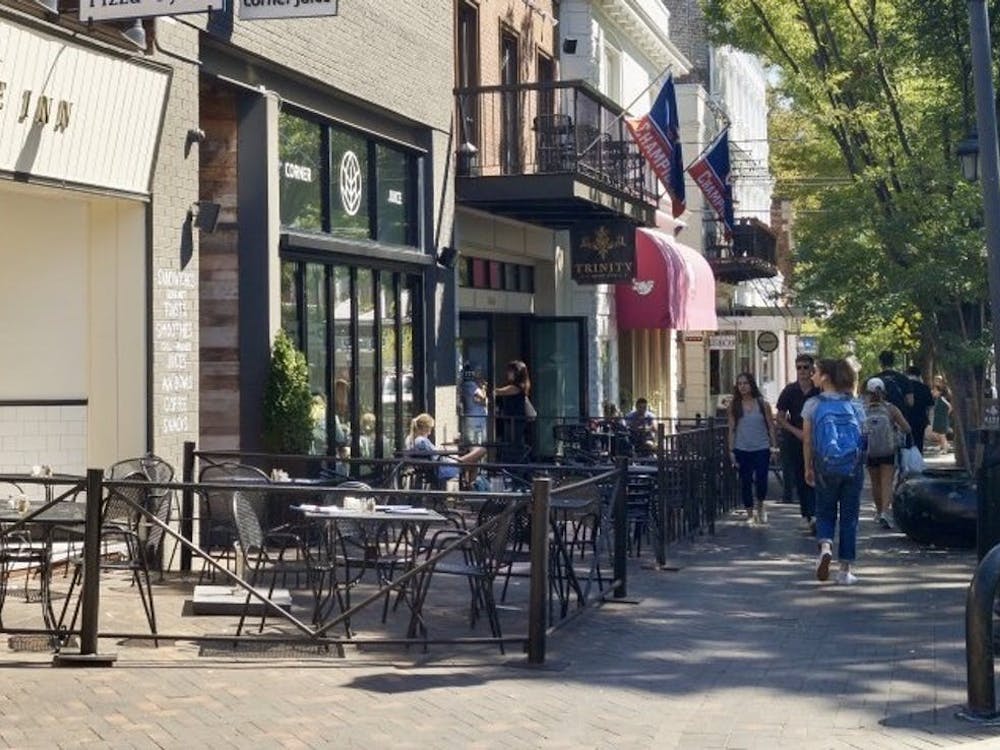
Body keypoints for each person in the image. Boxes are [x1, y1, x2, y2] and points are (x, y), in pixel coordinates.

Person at [802, 358, 866, 585]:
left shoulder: (812, 405)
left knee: (825, 510)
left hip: (824, 465)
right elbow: (864, 436)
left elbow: (808, 440)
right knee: (850, 517)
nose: (811, 375)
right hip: (852, 466)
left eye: (815, 372)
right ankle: (845, 570)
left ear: (826, 377)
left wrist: (808, 467)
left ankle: (826, 546)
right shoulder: (856, 405)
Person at [775, 354, 820, 532]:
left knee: (816, 474)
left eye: (805, 367)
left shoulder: (819, 391)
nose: (802, 371)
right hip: (795, 441)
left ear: (812, 369)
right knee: (801, 477)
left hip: (817, 440)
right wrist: (797, 432)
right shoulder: (789, 391)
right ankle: (806, 514)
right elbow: (780, 417)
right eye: (799, 367)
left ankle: (816, 513)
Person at [727, 372, 778, 525]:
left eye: (745, 383)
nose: (742, 386)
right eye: (740, 383)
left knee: (762, 479)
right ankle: (749, 513)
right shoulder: (734, 406)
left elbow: (770, 426)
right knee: (745, 481)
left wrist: (774, 447)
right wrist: (731, 450)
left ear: (751, 385)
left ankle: (761, 505)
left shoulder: (763, 404)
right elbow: (731, 429)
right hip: (742, 448)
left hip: (761, 447)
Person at [863, 377, 911, 529]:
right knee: (886, 482)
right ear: (883, 391)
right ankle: (884, 512)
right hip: (888, 450)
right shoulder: (891, 409)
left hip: (870, 451)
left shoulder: (863, 410)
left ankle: (878, 511)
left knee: (875, 482)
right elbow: (907, 428)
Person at [407, 413, 486, 485]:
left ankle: (469, 486)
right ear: (425, 428)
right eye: (430, 429)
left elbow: (432, 455)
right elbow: (435, 456)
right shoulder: (421, 441)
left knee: (473, 461)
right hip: (445, 467)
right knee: (481, 450)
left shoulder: (411, 440)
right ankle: (470, 487)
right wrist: (443, 452)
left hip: (442, 466)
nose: (430, 433)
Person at [494, 359, 534, 458]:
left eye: (510, 371)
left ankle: (518, 467)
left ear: (517, 373)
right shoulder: (519, 387)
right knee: (513, 443)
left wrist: (487, 387)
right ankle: (518, 465)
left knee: (513, 444)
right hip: (512, 420)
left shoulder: (517, 388)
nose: (508, 373)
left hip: (515, 420)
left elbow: (498, 392)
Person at [904, 366, 934, 454]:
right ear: (919, 375)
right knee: (919, 442)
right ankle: (918, 461)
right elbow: (930, 406)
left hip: (906, 419)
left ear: (907, 374)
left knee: (906, 444)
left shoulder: (904, 386)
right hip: (921, 420)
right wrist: (930, 423)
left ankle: (907, 464)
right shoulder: (924, 388)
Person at [459, 363, 488, 446]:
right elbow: (483, 398)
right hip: (477, 417)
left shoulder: (464, 385)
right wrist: (483, 388)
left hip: (471, 415)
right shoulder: (472, 385)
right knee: (478, 443)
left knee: (473, 442)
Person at [931, 384, 952, 453]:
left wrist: (946, 414)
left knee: (942, 434)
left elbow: (949, 406)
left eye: (935, 390)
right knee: (937, 434)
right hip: (938, 419)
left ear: (939, 392)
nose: (933, 392)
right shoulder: (937, 399)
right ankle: (941, 445)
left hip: (942, 419)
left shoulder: (942, 398)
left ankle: (945, 449)